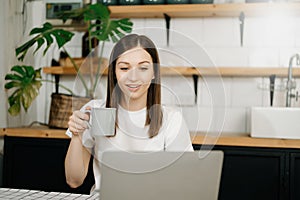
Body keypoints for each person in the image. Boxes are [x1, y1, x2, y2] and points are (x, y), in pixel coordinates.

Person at [64, 34, 194, 193]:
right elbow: (73, 180)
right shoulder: (95, 111)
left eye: (143, 68)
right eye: (124, 68)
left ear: (154, 73)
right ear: (114, 72)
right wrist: (77, 135)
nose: (133, 77)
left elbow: (185, 182)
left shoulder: (171, 119)